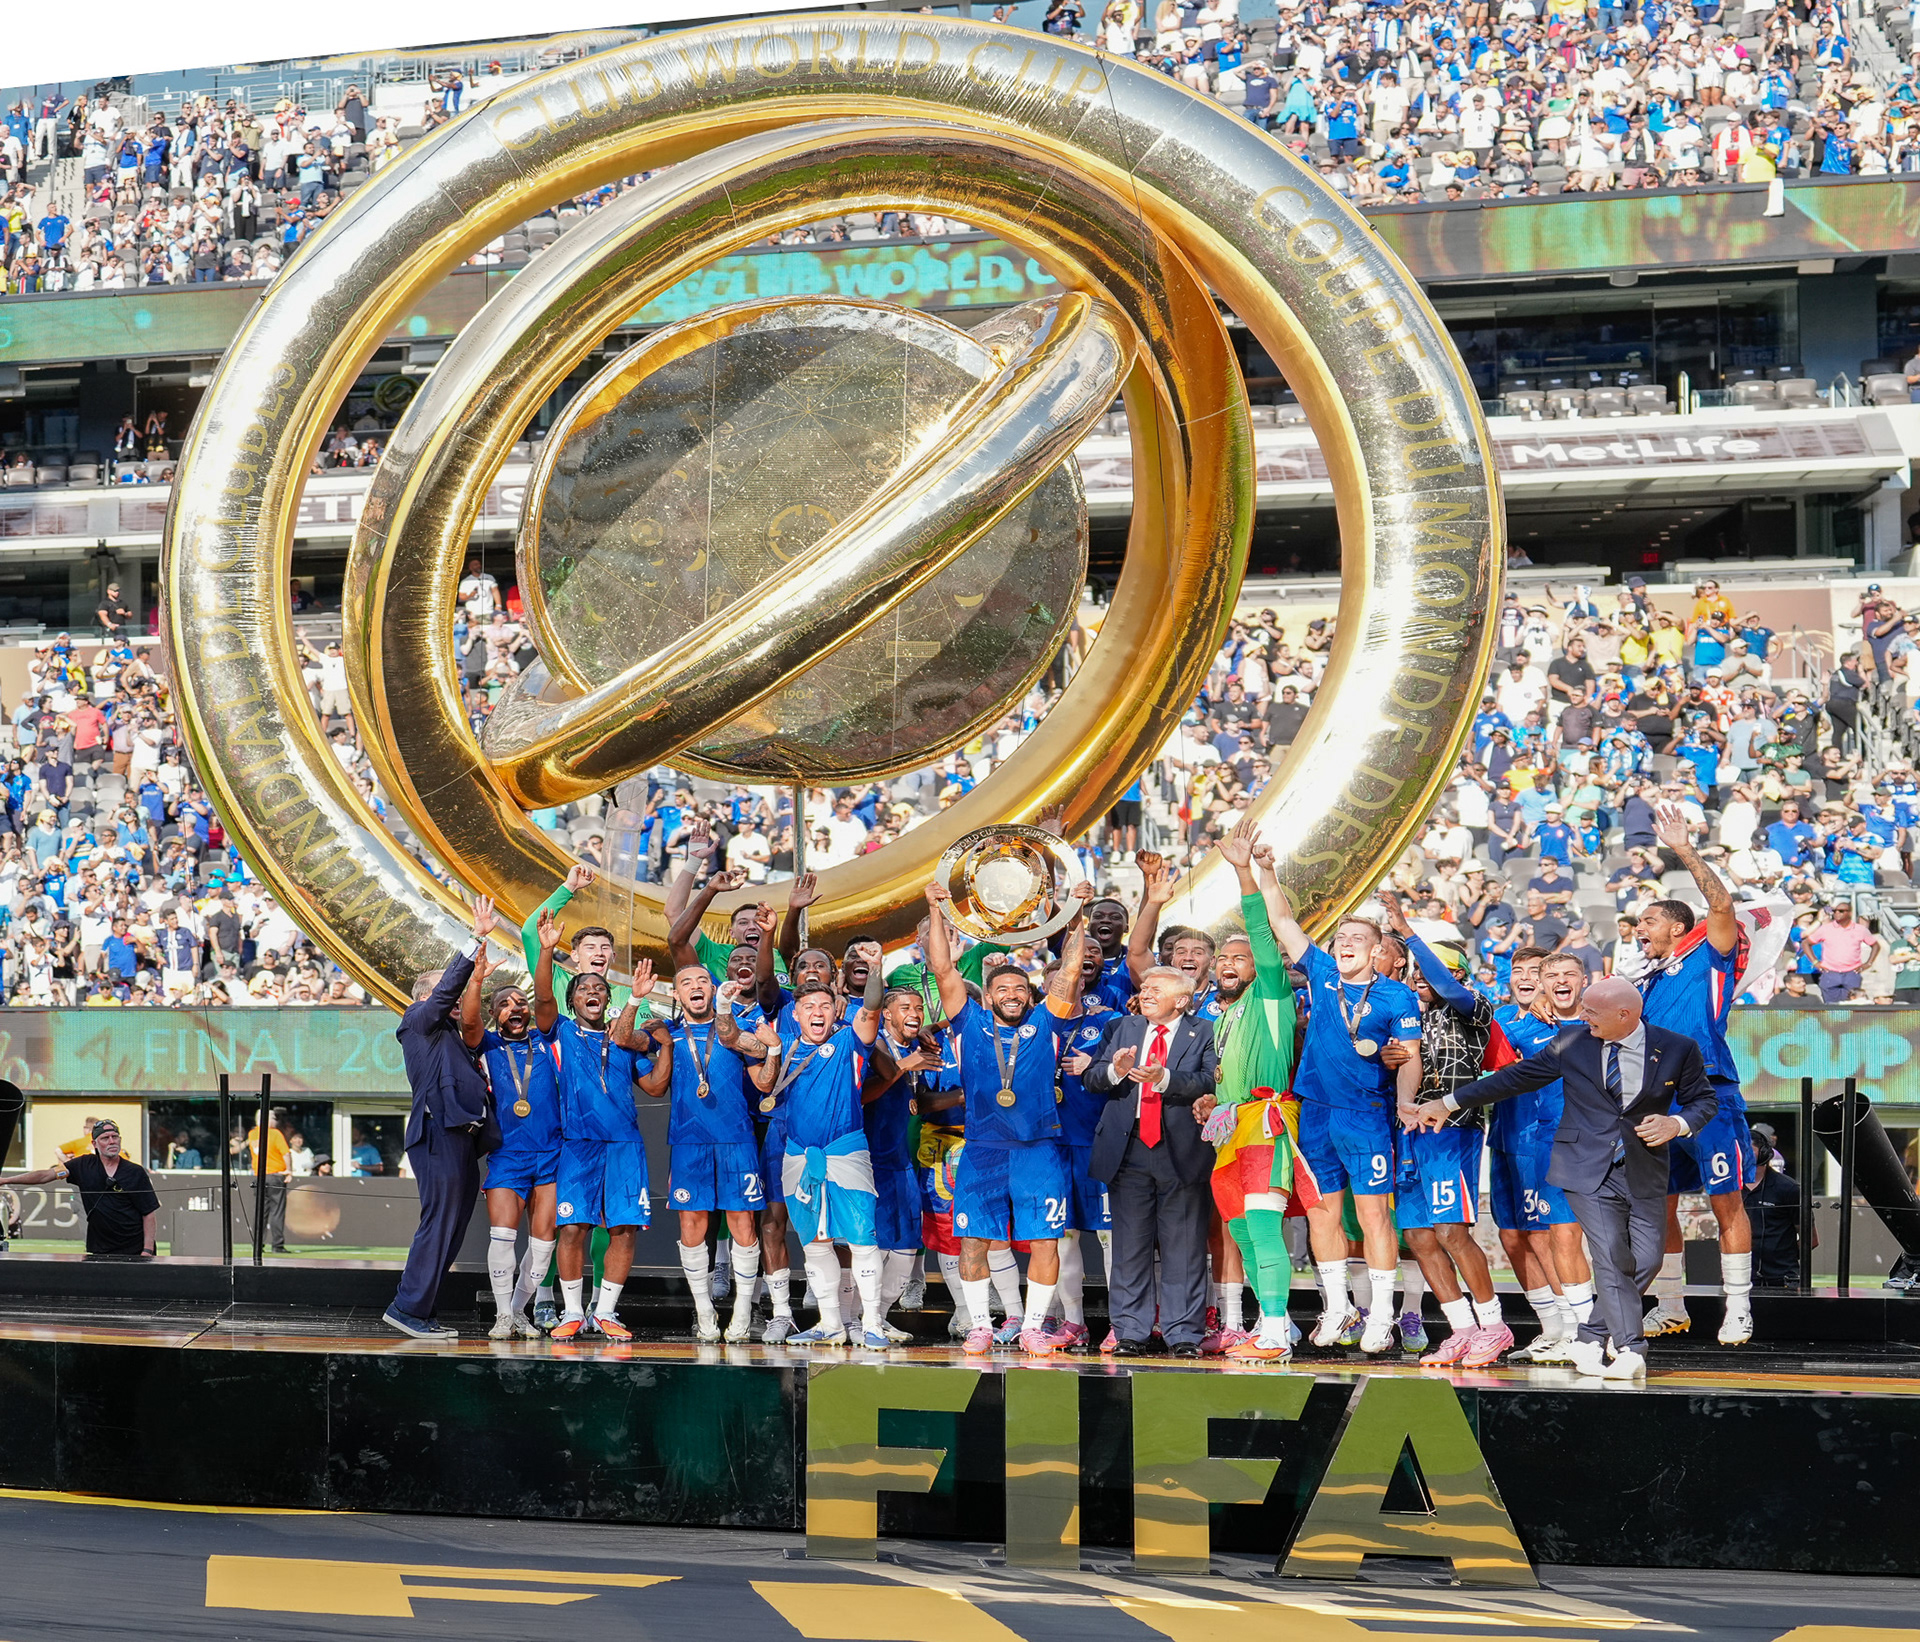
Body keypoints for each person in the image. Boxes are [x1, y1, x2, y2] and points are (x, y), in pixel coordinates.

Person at [1416, 977, 1717, 1380]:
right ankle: (1630, 1349)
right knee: (1612, 1256)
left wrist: (1676, 1124)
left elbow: (1704, 1101)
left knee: (1647, 1259)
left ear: (1624, 1014)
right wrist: (1448, 1102)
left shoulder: (1678, 1047)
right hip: (1583, 1167)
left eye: (1592, 1011)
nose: (1583, 1016)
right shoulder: (1572, 1042)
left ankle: (1590, 1335)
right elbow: (1514, 1078)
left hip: (1644, 1167)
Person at [921, 872, 1094, 1355]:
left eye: (1020, 988)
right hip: (983, 1150)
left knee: (1045, 1241)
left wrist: (1077, 914)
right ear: (988, 995)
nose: (1013, 994)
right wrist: (935, 907)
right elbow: (942, 969)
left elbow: (1070, 969)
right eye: (1003, 989)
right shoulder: (968, 1022)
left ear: (1031, 996)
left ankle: (1033, 1327)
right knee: (974, 1241)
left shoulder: (1047, 1021)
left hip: (1039, 1149)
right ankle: (980, 1325)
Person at [1265, 890, 1422, 1353]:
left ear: (1376, 951)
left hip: (1366, 1115)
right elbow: (1282, 920)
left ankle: (1383, 1314)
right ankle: (1338, 1306)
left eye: (1357, 938)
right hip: (1316, 1111)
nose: (1346, 943)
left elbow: (1409, 1056)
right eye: (1341, 937)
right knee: (1321, 1213)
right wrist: (1265, 871)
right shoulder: (1322, 973)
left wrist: (1405, 1102)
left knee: (1374, 1216)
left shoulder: (1397, 996)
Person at [1376, 892, 1515, 1368]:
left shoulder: (1473, 1007)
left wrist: (1409, 933)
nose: (1421, 978)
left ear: (1459, 975)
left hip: (1453, 1130)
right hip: (1408, 1132)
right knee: (1418, 1236)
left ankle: (1494, 1326)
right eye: (1416, 972)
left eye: (1432, 971)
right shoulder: (1406, 1017)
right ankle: (1462, 1329)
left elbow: (1449, 987)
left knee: (1451, 1231)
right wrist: (1388, 1059)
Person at [1637, 802, 1756, 1347]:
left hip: (1709, 1092)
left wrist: (1683, 849)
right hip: (1656, 1102)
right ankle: (1670, 1306)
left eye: (1649, 920)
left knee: (1725, 1199)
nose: (1640, 929)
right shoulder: (1647, 980)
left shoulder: (1711, 952)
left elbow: (1722, 904)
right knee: (1660, 1206)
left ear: (1679, 926)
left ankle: (1739, 1308)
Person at [1186, 821, 1306, 1361]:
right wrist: (1214, 1100)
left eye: (1240, 958)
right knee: (1240, 1231)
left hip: (1266, 1124)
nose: (1229, 964)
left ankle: (1275, 1332)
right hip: (1230, 1129)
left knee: (1261, 1225)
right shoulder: (1223, 1017)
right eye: (1223, 959)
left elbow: (1261, 931)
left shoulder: (1272, 999)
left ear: (1261, 967)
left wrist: (1244, 873)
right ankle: (1276, 1324)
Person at [533, 909, 667, 1342]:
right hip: (579, 1144)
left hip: (625, 1145)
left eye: (599, 989)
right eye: (583, 989)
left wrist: (666, 1046)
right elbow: (542, 998)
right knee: (573, 1228)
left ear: (608, 1000)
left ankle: (605, 1312)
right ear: (572, 1001)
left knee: (624, 1230)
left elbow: (655, 1086)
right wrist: (548, 950)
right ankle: (572, 1312)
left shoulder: (623, 1038)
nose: (592, 992)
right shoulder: (560, 1032)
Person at [1082, 957, 1220, 1358]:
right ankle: (1130, 1331)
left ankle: (1184, 1334)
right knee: (1129, 1246)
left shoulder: (1205, 1031)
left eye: (1155, 990)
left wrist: (1164, 1078)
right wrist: (1115, 1071)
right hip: (1127, 1150)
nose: (1145, 994)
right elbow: (1093, 1078)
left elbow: (1211, 1080)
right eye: (1144, 989)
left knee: (1185, 1246)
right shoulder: (1121, 1027)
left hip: (1182, 1150)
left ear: (1181, 1000)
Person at [743, 965, 886, 1347]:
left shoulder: (849, 1040)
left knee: (861, 1239)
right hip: (798, 1157)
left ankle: (872, 1323)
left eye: (825, 1005)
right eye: (809, 1007)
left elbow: (872, 1008)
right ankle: (831, 1323)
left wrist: (876, 972)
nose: (817, 1012)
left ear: (836, 1010)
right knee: (815, 1244)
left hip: (846, 1152)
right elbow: (736, 1042)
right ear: (796, 1013)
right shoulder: (784, 1046)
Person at [385, 897, 502, 1339]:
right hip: (438, 1131)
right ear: (425, 998)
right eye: (445, 992)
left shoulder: (451, 1035)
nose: (453, 998)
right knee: (439, 1222)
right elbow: (447, 991)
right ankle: (407, 1307)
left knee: (453, 1226)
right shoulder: (418, 1019)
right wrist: (475, 940)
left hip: (461, 1137)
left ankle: (422, 1309)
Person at [655, 963, 764, 1343]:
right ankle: (704, 1311)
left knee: (743, 1224)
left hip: (737, 1140)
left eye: (703, 980)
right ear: (676, 994)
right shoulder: (667, 1034)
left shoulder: (739, 1029)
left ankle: (743, 1311)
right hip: (688, 1143)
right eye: (686, 982)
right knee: (692, 1225)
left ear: (714, 990)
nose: (695, 986)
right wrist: (635, 1001)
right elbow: (631, 1045)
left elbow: (763, 1070)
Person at [462, 957, 562, 1339]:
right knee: (502, 1236)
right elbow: (468, 1023)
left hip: (551, 1152)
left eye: (521, 1002)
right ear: (493, 1014)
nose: (515, 1007)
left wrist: (546, 953)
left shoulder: (547, 1040)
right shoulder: (487, 1044)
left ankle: (519, 1310)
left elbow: (546, 1003)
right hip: (508, 1155)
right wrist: (476, 980)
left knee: (544, 1243)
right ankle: (502, 1315)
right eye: (504, 1004)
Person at [0, 1118, 157, 1258]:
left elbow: (149, 1213)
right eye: (105, 1138)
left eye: (115, 1137)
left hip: (135, 1249)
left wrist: (147, 1250)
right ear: (94, 1144)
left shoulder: (135, 1172)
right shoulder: (82, 1165)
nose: (111, 1141)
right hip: (101, 1248)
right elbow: (46, 1175)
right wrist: (6, 1180)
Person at [244, 1107, 292, 1254]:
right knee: (277, 1211)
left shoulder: (252, 1134)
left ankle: (257, 1244)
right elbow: (285, 1153)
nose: (276, 1121)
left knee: (260, 1212)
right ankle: (277, 1245)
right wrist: (289, 1170)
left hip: (259, 1176)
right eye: (274, 1118)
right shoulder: (275, 1134)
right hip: (275, 1176)